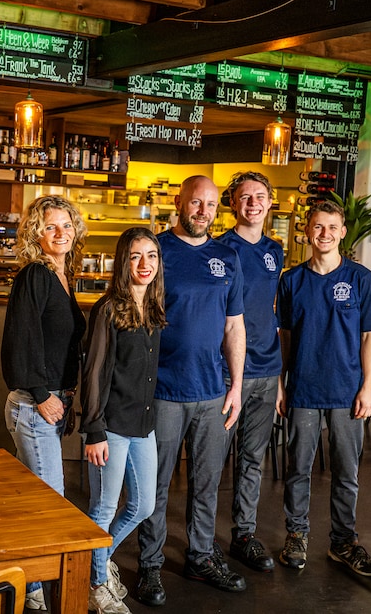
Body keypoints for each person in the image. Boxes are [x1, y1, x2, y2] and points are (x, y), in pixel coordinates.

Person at [136, 175, 247, 606]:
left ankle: (200, 556)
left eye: (211, 204)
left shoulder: (228, 257)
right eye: (195, 202)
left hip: (211, 392)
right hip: (162, 389)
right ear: (179, 202)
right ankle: (149, 565)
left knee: (207, 482)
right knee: (155, 485)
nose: (203, 211)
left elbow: (233, 326)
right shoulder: (157, 251)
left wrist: (235, 385)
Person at [276, 199, 371, 579]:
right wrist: (280, 384)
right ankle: (297, 535)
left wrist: (368, 388)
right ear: (307, 230)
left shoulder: (361, 279)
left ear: (342, 232)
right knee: (298, 468)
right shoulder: (291, 280)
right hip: (303, 388)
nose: (324, 234)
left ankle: (343, 541)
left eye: (331, 227)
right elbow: (285, 337)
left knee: (346, 471)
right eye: (317, 227)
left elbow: (370, 338)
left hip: (347, 390)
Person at [1, 195, 88, 611]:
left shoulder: (63, 274)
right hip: (34, 405)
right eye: (51, 227)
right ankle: (34, 590)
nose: (61, 234)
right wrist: (41, 395)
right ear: (36, 232)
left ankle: (22, 582)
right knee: (50, 503)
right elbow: (20, 338)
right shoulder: (35, 275)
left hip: (50, 403)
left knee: (32, 502)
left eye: (67, 226)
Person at [81, 227, 166, 614]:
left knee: (144, 505)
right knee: (102, 509)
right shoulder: (108, 308)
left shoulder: (153, 306)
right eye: (135, 256)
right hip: (111, 427)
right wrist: (94, 430)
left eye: (151, 255)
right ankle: (96, 585)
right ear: (123, 261)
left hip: (143, 426)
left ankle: (91, 563)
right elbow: (95, 372)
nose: (144, 264)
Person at [216, 172, 283, 573]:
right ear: (233, 203)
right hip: (227, 373)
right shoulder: (220, 248)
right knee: (214, 459)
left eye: (260, 196)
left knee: (252, 459)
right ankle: (202, 539)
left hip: (268, 370)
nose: (253, 203)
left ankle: (243, 534)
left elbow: (270, 312)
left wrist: (279, 382)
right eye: (245, 197)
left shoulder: (275, 251)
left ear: (270, 202)